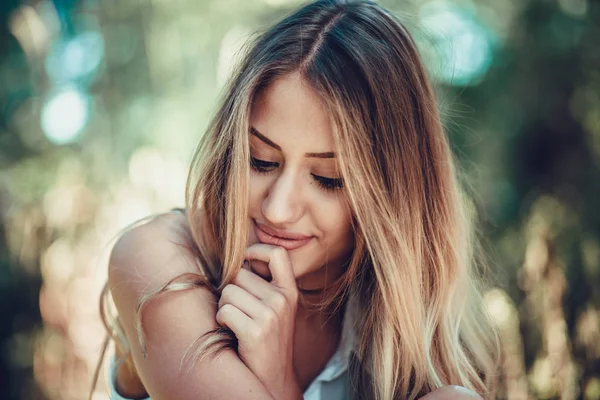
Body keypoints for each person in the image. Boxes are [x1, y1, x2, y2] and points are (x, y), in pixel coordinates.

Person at [94, 0, 501, 399]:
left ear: (391, 196)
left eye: (328, 179)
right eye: (261, 160)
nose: (277, 209)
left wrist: (279, 381)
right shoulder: (160, 261)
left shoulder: (425, 337)